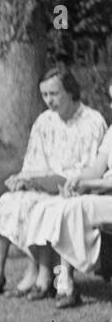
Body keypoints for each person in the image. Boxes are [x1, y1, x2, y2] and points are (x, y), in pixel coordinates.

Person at [0, 67, 106, 299]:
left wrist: (67, 182)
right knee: (9, 201)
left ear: (70, 91)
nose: (49, 101)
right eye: (45, 95)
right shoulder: (44, 121)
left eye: (54, 94)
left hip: (71, 187)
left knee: (42, 208)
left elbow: (91, 169)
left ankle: (42, 275)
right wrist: (25, 180)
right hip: (44, 184)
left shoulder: (91, 121)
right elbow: (33, 162)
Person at [24, 87, 112, 309]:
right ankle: (60, 281)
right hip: (103, 196)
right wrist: (77, 180)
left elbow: (100, 180)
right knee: (59, 205)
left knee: (72, 209)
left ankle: (67, 284)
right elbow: (97, 168)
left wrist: (90, 184)